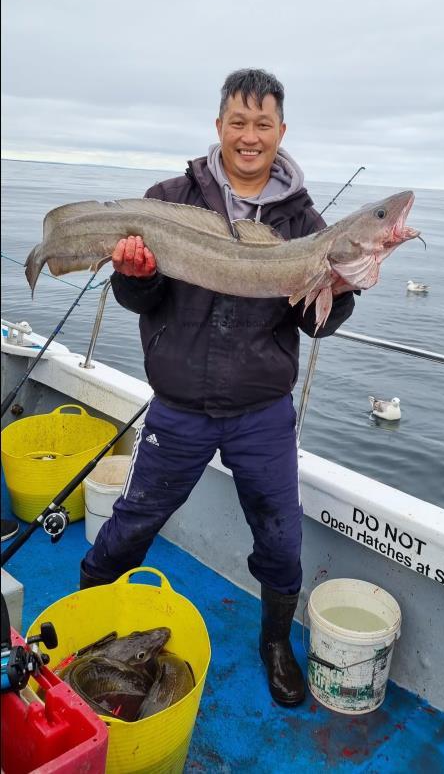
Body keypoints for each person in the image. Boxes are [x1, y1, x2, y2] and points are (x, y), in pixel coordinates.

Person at [80, 69, 356, 706]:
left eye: (263, 124)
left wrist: (337, 293)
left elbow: (312, 325)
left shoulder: (304, 224)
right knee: (134, 518)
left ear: (282, 132)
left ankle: (275, 643)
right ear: (219, 127)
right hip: (179, 406)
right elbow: (139, 298)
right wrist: (135, 274)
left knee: (282, 538)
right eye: (239, 121)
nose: (250, 136)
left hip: (260, 410)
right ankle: (87, 609)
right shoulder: (170, 197)